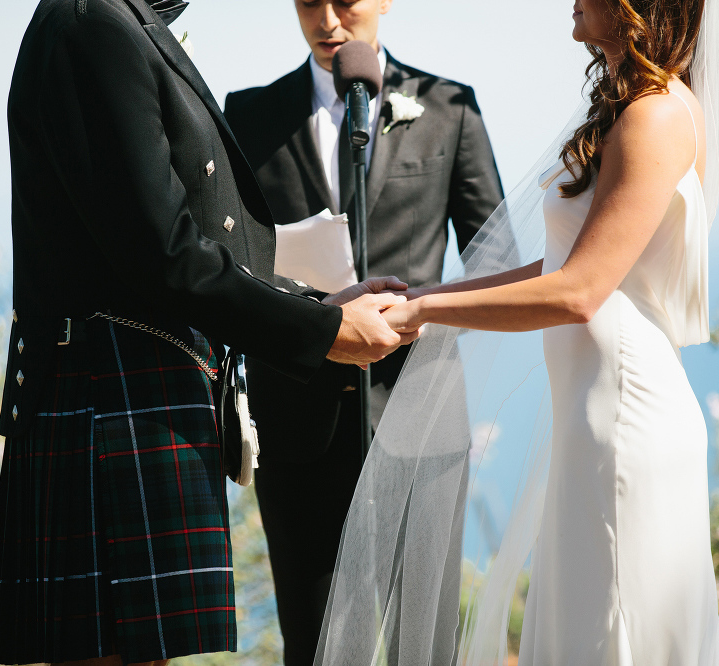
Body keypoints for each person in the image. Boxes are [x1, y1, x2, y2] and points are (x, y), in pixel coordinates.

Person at [0, 0, 418, 664]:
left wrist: (318, 304)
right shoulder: (92, 25)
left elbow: (196, 240)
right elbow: (164, 252)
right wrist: (320, 328)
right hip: (113, 399)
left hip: (130, 395)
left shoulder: (114, 21)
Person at [317, 0, 719, 662]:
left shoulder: (656, 116)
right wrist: (419, 296)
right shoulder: (636, 109)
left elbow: (578, 292)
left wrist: (422, 316)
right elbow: (560, 266)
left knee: (613, 631)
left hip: (626, 420)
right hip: (594, 416)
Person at [222, 1, 503, 662]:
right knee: (317, 649)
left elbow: (496, 260)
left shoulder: (450, 108)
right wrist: (316, 311)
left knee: (425, 647)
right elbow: (228, 266)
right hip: (299, 425)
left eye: (345, 0)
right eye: (308, 2)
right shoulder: (248, 115)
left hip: (422, 420)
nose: (327, 20)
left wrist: (416, 308)